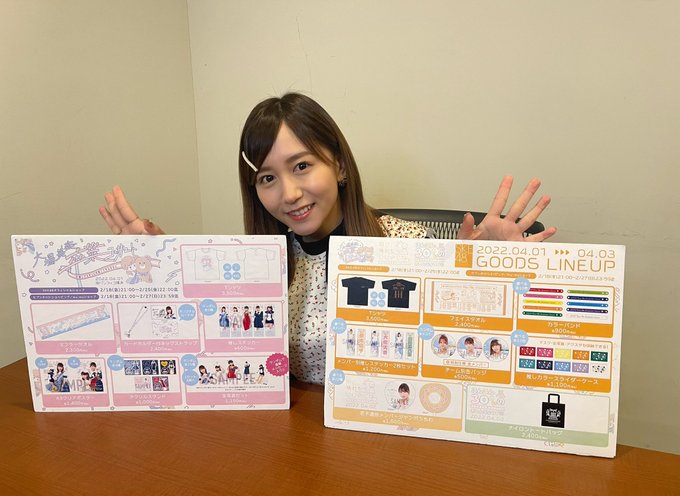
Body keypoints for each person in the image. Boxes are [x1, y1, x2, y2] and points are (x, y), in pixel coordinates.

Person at [98, 93, 555, 385]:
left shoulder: (407, 244)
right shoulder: (255, 268)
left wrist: (487, 272)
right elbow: (204, 351)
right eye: (267, 178)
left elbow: (464, 353)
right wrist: (163, 269)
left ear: (337, 164)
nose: (289, 194)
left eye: (302, 166)